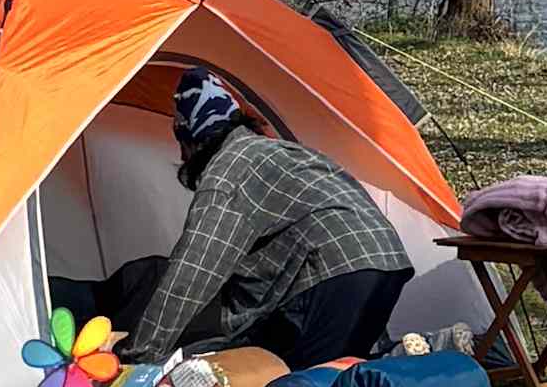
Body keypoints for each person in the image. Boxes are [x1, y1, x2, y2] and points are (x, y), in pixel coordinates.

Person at [104, 68, 424, 369]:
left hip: (333, 275)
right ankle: (409, 358)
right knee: (345, 372)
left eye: (183, 148)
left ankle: (416, 356)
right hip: (386, 262)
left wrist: (139, 355)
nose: (183, 159)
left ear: (194, 141)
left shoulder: (228, 171)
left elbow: (193, 271)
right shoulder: (283, 153)